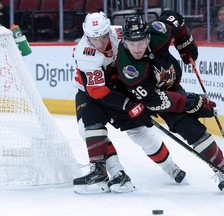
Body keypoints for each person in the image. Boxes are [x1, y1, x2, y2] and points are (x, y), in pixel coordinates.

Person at [116, 10, 224, 194]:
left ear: (148, 37)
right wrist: (190, 101)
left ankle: (223, 171)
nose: (137, 48)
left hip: (170, 87)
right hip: (141, 97)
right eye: (132, 43)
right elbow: (153, 100)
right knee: (142, 134)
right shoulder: (129, 68)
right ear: (124, 41)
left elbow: (173, 17)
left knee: (192, 129)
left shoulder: (158, 32)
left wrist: (185, 41)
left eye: (141, 42)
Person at [72, 12, 186, 194]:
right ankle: (116, 173)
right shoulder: (84, 53)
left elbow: (147, 40)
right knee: (86, 129)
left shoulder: (119, 34)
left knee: (140, 132)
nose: (100, 43)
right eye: (94, 39)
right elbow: (98, 91)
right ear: (87, 36)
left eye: (102, 37)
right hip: (91, 92)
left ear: (107, 30)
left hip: (121, 87)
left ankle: (171, 167)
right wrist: (130, 106)